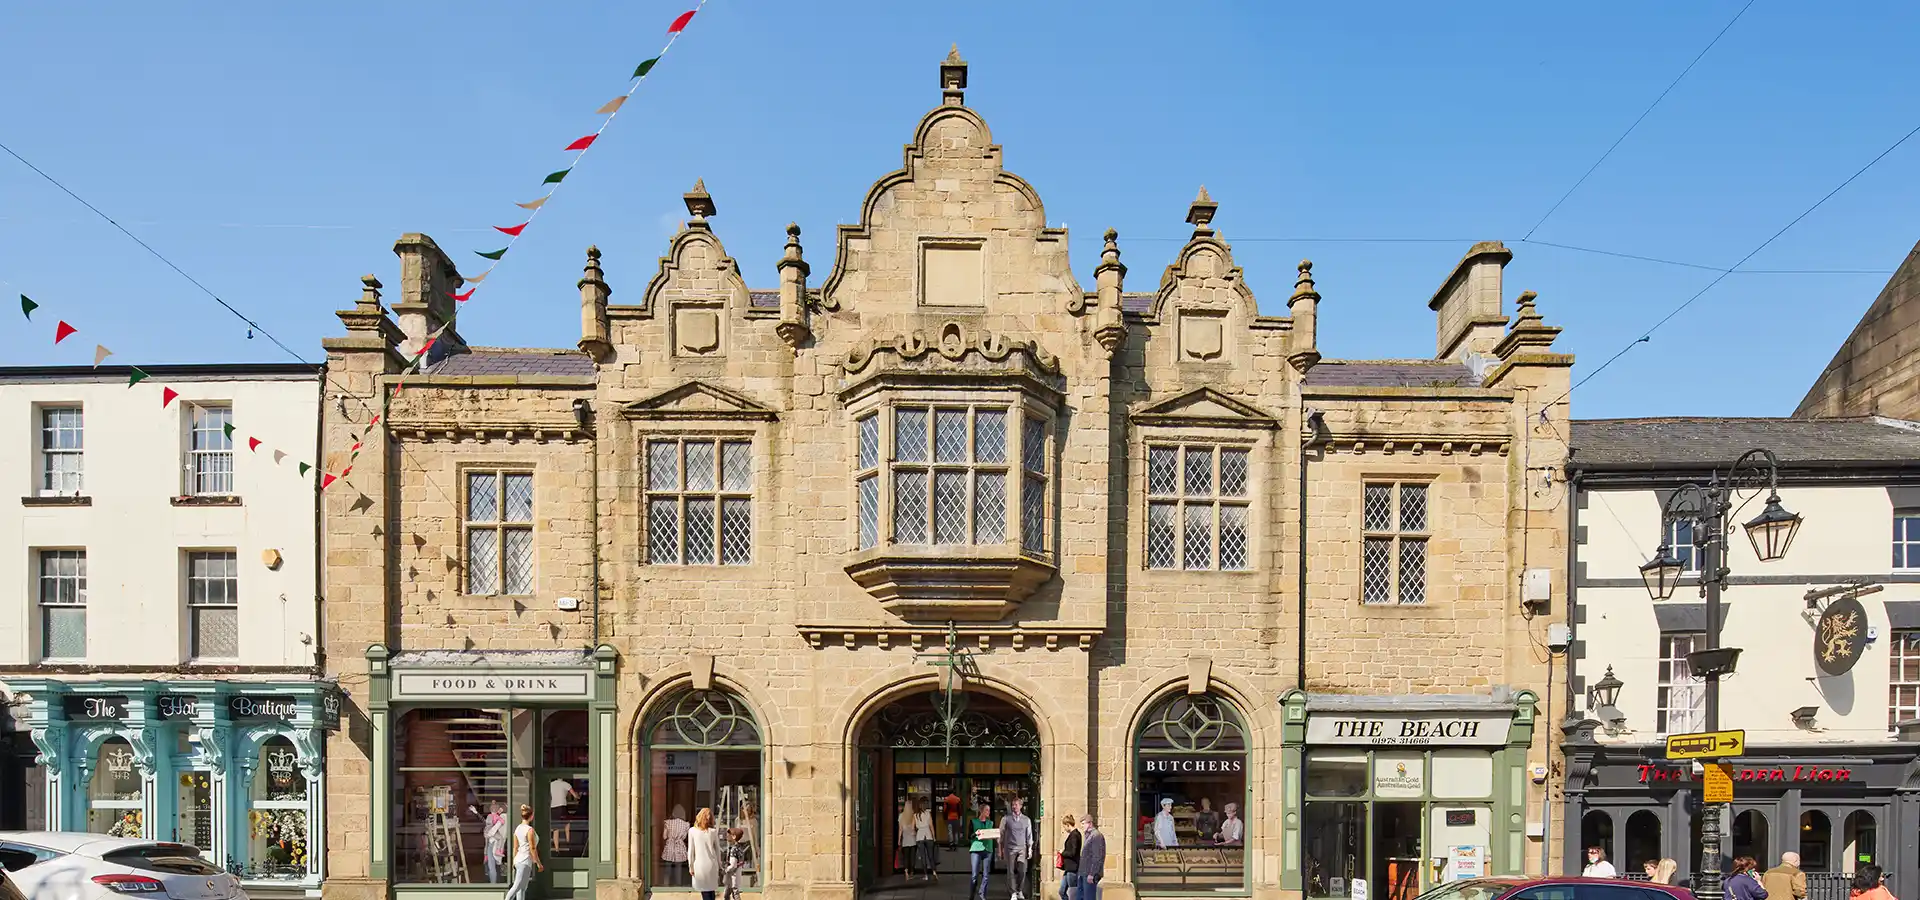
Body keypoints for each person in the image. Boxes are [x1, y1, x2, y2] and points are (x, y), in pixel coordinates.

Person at [503, 804, 542, 900]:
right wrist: (538, 863)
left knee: (521, 888)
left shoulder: (518, 829)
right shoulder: (530, 830)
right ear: (531, 816)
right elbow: (532, 848)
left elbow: (515, 848)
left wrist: (513, 861)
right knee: (517, 886)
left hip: (519, 860)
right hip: (525, 861)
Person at [1000, 797, 1035, 900]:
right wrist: (1000, 849)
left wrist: (1030, 848)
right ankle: (1013, 892)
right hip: (1010, 848)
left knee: (1022, 870)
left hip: (1022, 848)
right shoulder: (1006, 818)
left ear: (1021, 806)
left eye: (1016, 805)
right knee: (1010, 871)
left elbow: (1029, 835)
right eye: (1013, 805)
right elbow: (1001, 834)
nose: (1014, 807)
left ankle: (1019, 890)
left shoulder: (1026, 820)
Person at [689, 807, 724, 900]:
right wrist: (720, 865)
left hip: (699, 865)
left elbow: (691, 851)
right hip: (712, 864)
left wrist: (691, 866)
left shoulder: (692, 831)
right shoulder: (713, 831)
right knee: (711, 892)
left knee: (705, 892)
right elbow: (717, 850)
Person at [969, 802, 998, 900]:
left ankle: (982, 893)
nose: (988, 812)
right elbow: (969, 836)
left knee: (986, 874)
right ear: (981, 811)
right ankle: (972, 894)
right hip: (976, 849)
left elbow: (994, 834)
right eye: (986, 810)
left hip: (988, 849)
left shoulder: (991, 823)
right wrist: (975, 834)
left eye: (989, 810)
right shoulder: (973, 822)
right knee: (974, 875)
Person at [549, 777, 581, 853]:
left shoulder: (550, 784)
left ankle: (557, 849)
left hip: (553, 807)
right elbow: (575, 796)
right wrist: (579, 796)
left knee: (555, 829)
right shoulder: (566, 784)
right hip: (562, 806)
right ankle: (567, 841)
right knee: (567, 823)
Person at [663, 804, 692, 885]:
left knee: (667, 869)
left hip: (669, 846)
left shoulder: (667, 823)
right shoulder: (686, 825)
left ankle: (666, 885)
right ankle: (678, 885)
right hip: (680, 847)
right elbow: (684, 837)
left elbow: (664, 836)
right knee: (678, 869)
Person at [1079, 817, 1106, 900]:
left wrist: (1092, 873)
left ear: (1090, 823)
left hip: (1090, 874)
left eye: (1083, 824)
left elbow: (1097, 856)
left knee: (1089, 897)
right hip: (1084, 872)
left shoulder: (1096, 836)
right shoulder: (1089, 835)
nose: (1082, 826)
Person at [722, 827, 753, 900]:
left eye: (729, 834)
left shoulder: (733, 849)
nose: (727, 836)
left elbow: (733, 865)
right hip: (736, 874)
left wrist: (725, 870)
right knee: (730, 893)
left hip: (732, 875)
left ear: (734, 837)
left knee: (733, 893)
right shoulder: (739, 847)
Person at [915, 798, 939, 883]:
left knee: (923, 857)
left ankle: (925, 875)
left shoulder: (915, 815)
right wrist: (934, 836)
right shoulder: (928, 814)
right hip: (928, 835)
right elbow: (931, 826)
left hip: (920, 836)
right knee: (931, 856)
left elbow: (913, 827)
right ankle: (934, 872)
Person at [484, 802, 509, 883]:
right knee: (496, 866)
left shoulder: (501, 817)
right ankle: (497, 884)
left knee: (492, 867)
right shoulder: (507, 817)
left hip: (493, 843)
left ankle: (493, 885)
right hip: (499, 844)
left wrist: (487, 834)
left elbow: (494, 829)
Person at [1058, 815, 1081, 900]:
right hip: (1068, 868)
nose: (1064, 829)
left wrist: (1062, 852)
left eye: (1064, 826)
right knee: (1062, 891)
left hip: (1072, 868)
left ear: (1068, 824)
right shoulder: (1073, 834)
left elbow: (1073, 853)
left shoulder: (1075, 835)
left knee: (1073, 893)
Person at [900, 798, 922, 881]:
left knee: (906, 857)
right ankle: (912, 872)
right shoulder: (913, 815)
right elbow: (915, 827)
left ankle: (906, 872)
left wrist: (899, 840)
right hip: (913, 839)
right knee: (912, 857)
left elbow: (900, 830)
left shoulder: (901, 816)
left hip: (905, 839)